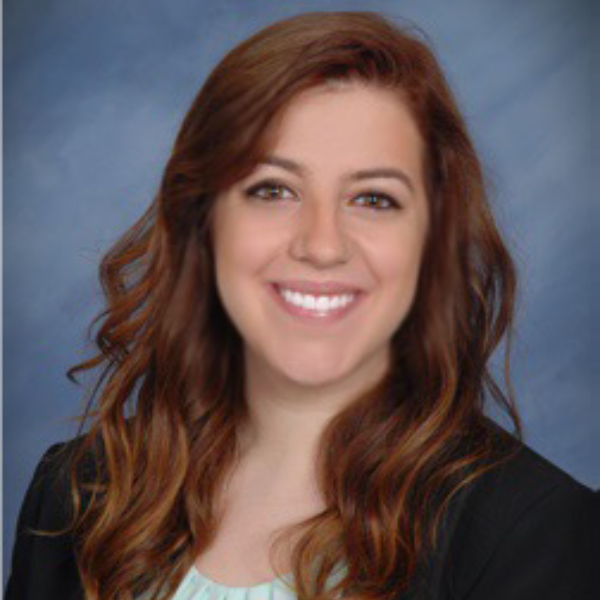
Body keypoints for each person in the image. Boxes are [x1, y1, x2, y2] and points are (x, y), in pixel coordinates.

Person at [4, 11, 597, 600]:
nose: (321, 245)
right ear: (202, 222)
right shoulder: (74, 494)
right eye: (274, 190)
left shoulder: (535, 535)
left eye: (373, 198)